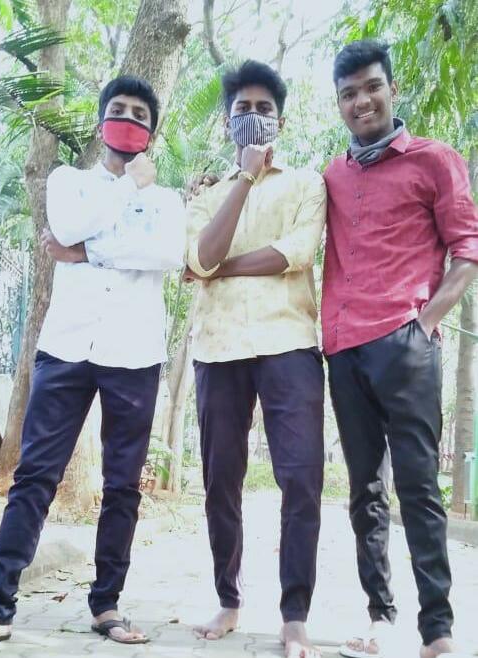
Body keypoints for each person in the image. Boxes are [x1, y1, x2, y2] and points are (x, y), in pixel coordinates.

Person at [0, 75, 186, 645]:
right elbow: (66, 227)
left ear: (152, 132)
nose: (129, 119)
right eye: (119, 110)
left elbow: (165, 254)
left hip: (135, 355)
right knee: (35, 476)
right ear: (101, 124)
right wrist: (124, 190)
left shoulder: (166, 200)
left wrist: (84, 253)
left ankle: (106, 606)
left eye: (140, 114)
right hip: (66, 348)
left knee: (123, 486)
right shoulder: (67, 181)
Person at [322, 40, 478, 658]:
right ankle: (379, 615)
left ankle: (436, 629)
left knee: (418, 488)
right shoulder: (332, 175)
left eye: (371, 87)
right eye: (349, 93)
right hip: (344, 349)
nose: (362, 101)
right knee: (364, 490)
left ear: (391, 89)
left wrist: (425, 322)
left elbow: (467, 249)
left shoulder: (435, 160)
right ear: (339, 103)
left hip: (405, 346)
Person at [185, 60, 327, 658]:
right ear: (227, 122)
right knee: (221, 478)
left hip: (289, 342)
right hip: (218, 348)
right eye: (241, 109)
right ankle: (229, 599)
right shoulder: (206, 195)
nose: (252, 116)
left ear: (281, 121)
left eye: (263, 108)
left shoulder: (307, 184)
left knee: (301, 477)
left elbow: (297, 252)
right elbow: (199, 256)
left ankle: (295, 615)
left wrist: (216, 270)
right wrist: (242, 178)